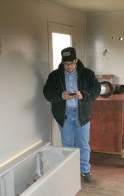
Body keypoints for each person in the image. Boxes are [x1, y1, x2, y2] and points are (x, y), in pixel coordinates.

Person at [43, 47, 101, 182]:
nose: (69, 67)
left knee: (83, 144)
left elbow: (96, 89)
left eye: (71, 63)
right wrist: (61, 95)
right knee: (67, 144)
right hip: (64, 115)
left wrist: (84, 95)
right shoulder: (54, 76)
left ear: (76, 60)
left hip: (83, 115)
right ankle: (69, 170)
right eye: (66, 64)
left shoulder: (87, 74)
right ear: (62, 62)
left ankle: (85, 170)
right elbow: (47, 93)